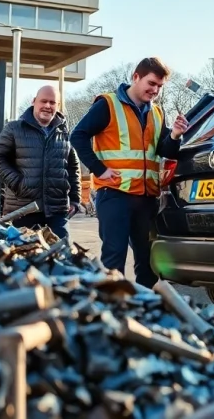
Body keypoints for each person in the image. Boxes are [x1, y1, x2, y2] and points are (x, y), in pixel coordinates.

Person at [69, 57, 188, 288]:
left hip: (146, 199)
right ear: (135, 77)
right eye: (151, 83)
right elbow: (78, 135)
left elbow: (164, 150)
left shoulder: (157, 113)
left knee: (148, 261)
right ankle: (112, 315)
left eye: (160, 87)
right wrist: (99, 169)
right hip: (115, 195)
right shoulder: (107, 104)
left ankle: (143, 313)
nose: (155, 90)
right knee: (114, 259)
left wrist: (174, 135)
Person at [0, 85, 82, 239]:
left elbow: (72, 167)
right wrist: (19, 183)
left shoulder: (63, 132)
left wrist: (75, 199)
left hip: (57, 212)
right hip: (23, 210)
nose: (47, 106)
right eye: (43, 101)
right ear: (34, 102)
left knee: (63, 256)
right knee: (25, 257)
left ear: (57, 106)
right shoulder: (14, 128)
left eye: (52, 102)